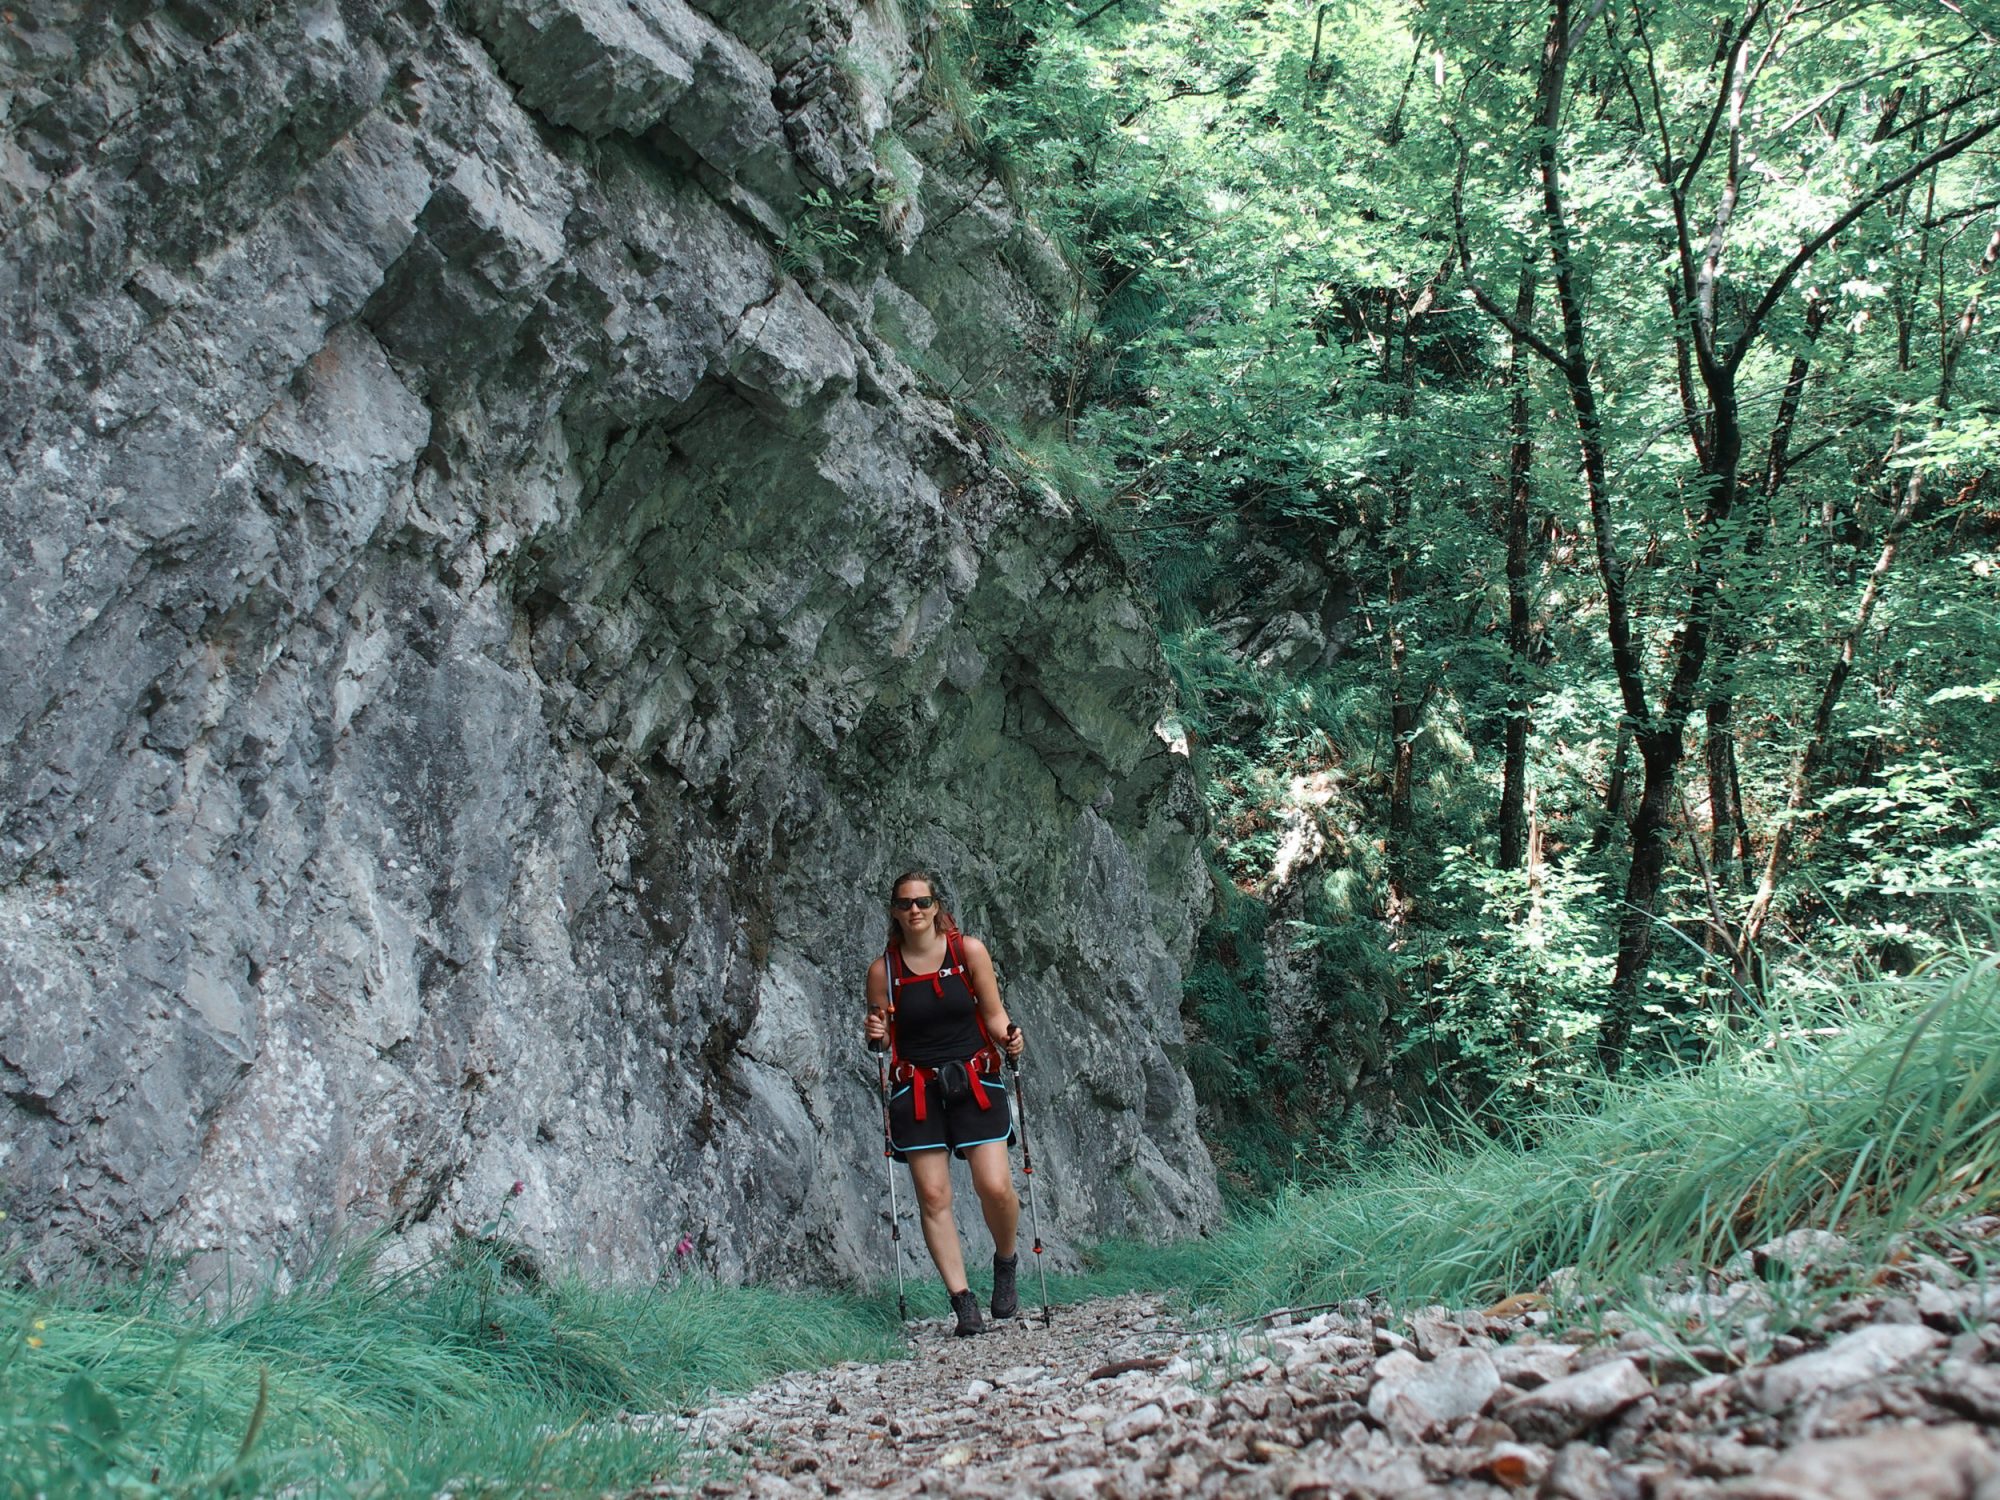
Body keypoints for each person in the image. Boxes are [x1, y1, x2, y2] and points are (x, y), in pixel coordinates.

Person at [864, 869, 1026, 1336]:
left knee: (995, 1186)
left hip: (974, 1079)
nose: (914, 910)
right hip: (916, 1090)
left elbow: (994, 1016)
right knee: (933, 1196)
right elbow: (880, 1037)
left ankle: (1005, 1260)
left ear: (937, 906)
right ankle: (963, 1302)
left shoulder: (967, 951)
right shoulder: (885, 970)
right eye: (904, 903)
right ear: (894, 912)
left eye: (922, 902)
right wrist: (873, 1033)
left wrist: (1011, 1041)